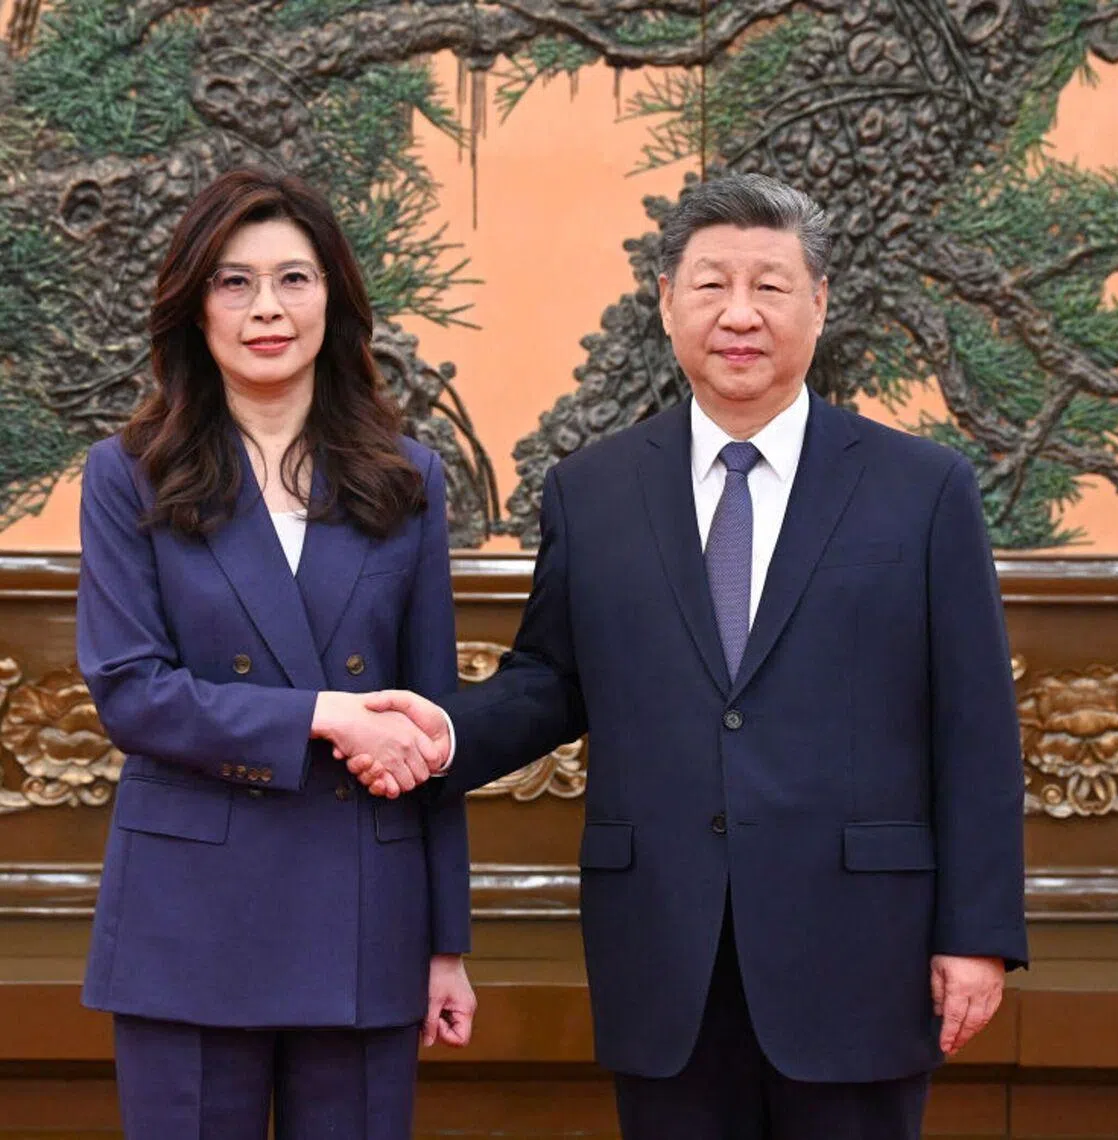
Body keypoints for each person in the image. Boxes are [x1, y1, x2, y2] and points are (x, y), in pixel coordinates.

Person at [356, 174, 1028, 1140]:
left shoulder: (922, 489)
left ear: (821, 303)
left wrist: (977, 935)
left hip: (861, 949)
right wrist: (441, 733)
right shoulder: (593, 491)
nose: (740, 314)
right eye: (712, 285)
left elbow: (974, 726)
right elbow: (552, 679)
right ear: (666, 302)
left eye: (771, 285)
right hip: (665, 946)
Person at [76, 168, 476, 1140]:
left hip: (366, 918)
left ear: (333, 299)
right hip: (190, 919)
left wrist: (447, 945)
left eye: (294, 279)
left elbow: (428, 724)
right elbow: (132, 694)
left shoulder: (407, 479)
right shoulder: (128, 473)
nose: (267, 308)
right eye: (234, 281)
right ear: (193, 307)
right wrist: (325, 715)